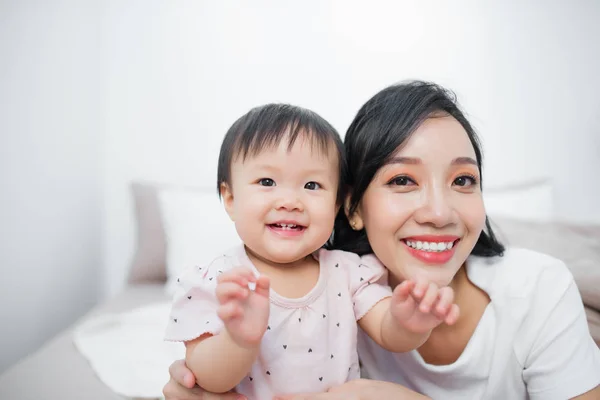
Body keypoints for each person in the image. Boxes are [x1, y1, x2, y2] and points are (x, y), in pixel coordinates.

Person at [163, 82, 600, 400]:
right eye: (403, 179)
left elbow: (391, 326)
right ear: (352, 207)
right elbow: (210, 374)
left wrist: (407, 332)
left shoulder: (538, 287)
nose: (438, 212)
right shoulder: (232, 283)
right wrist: (228, 354)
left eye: (463, 179)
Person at [163, 103, 459, 399]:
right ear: (230, 198)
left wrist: (409, 323)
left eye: (312, 184)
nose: (290, 201)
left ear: (337, 204)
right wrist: (238, 340)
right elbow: (204, 380)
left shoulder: (347, 272)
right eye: (267, 182)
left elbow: (386, 329)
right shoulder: (219, 281)